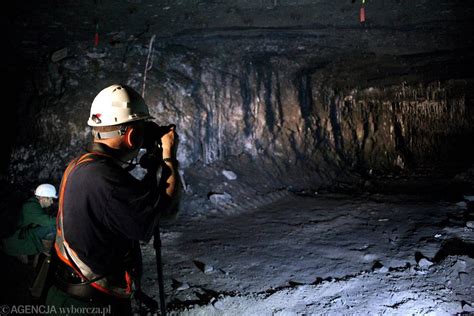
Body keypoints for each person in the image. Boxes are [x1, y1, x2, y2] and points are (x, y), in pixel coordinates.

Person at [45, 84, 179, 315]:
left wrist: (151, 168)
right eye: (141, 129)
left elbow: (135, 199)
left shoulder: (83, 165)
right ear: (132, 135)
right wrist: (169, 158)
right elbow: (167, 210)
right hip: (91, 305)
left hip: (70, 295)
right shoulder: (106, 180)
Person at [1, 183, 57, 264]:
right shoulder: (31, 207)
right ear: (43, 198)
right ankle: (44, 250)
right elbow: (47, 221)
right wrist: (63, 220)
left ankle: (32, 253)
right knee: (52, 227)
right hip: (15, 241)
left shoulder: (35, 204)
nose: (52, 202)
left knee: (47, 228)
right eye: (51, 199)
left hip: (21, 234)